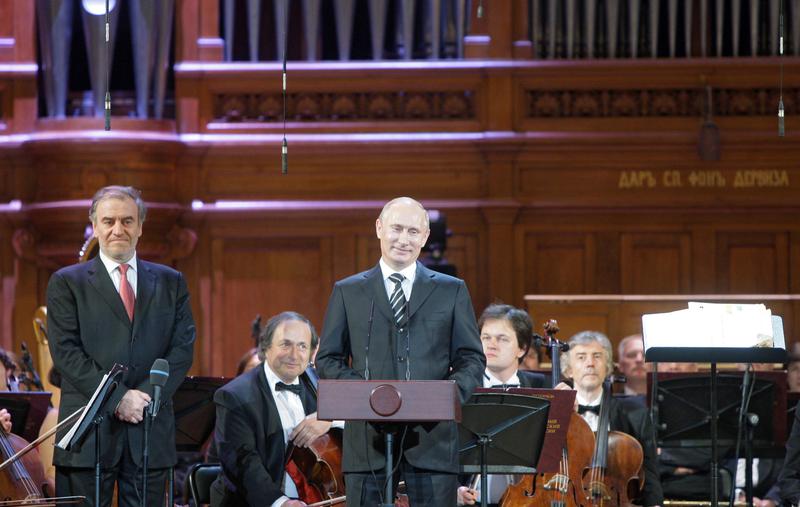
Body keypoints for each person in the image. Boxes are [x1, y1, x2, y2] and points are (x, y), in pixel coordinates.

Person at [315, 196, 486, 507]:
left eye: (412, 231)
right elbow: (328, 358)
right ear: (379, 228)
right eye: (396, 229)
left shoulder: (451, 290)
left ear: (424, 237)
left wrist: (446, 398)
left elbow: (471, 358)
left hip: (433, 442)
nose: (403, 239)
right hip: (367, 445)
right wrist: (369, 399)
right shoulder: (348, 291)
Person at [47, 185, 196, 506]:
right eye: (109, 221)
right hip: (88, 437)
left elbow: (182, 350)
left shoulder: (172, 282)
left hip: (149, 430)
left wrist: (142, 399)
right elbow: (67, 354)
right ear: (95, 224)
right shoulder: (66, 282)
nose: (118, 229)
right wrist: (118, 399)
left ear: (140, 226)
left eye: (127, 221)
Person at [211, 311, 336, 507]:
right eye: (285, 344)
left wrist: (329, 417)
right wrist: (281, 502)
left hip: (317, 499)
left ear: (312, 352)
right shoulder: (234, 396)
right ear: (266, 347)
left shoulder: (319, 383)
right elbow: (243, 464)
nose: (294, 355)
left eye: (302, 346)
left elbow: (361, 412)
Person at [559, 330, 663, 507]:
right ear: (568, 370)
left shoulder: (636, 415)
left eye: (597, 356)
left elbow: (650, 471)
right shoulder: (555, 412)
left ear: (607, 368)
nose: (590, 364)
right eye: (581, 357)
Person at [457, 303, 546, 506]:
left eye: (502, 339)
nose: (492, 344)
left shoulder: (541, 386)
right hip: (472, 498)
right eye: (486, 337)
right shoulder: (460, 387)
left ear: (522, 349)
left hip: (530, 499)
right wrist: (455, 490)